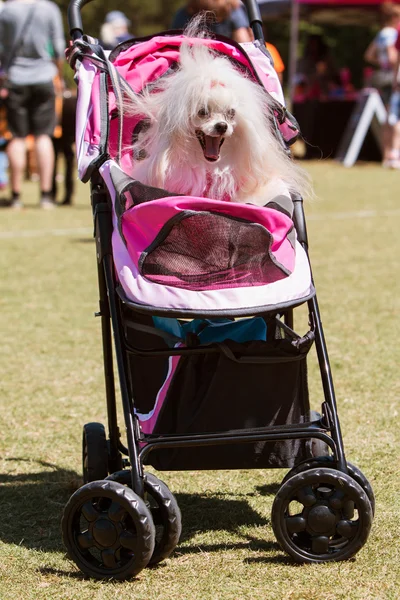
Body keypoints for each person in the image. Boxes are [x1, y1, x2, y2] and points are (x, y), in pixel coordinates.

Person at [0, 0, 66, 209]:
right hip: (43, 78)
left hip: (15, 79)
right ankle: (46, 196)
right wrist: (59, 75)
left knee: (17, 138)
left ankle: (16, 196)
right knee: (43, 136)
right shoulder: (49, 9)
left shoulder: (7, 10)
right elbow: (57, 48)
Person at [364, 2, 400, 168]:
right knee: (395, 117)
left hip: (382, 76)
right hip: (392, 78)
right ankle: (394, 153)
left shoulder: (381, 33)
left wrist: (380, 62)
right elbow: (393, 58)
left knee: (387, 118)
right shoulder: (393, 33)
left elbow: (369, 55)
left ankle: (386, 156)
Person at [171, 0, 252, 43]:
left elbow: (243, 43)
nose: (217, 21)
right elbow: (174, 41)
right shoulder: (184, 14)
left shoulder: (233, 10)